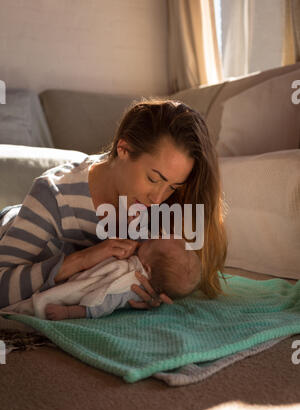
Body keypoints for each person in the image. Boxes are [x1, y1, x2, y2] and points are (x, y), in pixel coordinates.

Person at [0, 98, 227, 313]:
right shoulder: (52, 197)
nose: (158, 199)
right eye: (153, 179)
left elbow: (180, 271)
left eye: (173, 186)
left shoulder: (166, 206)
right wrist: (82, 260)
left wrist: (148, 290)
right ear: (123, 149)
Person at [33, 237, 202, 321]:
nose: (143, 241)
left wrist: (68, 312)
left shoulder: (128, 286)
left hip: (71, 285)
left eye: (149, 243)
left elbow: (102, 304)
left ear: (147, 268)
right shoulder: (144, 261)